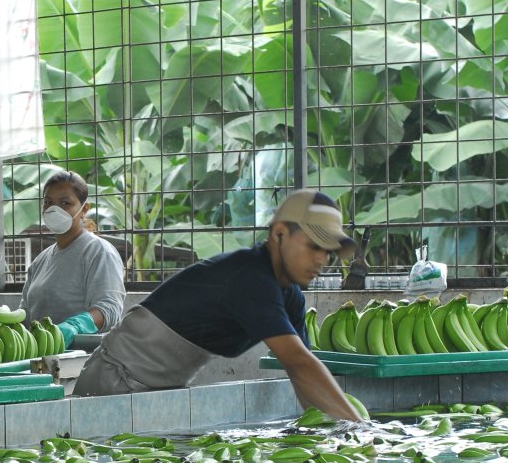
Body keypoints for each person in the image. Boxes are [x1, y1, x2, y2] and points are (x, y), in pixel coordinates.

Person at [72, 189, 364, 422]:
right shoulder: (250, 278)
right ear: (279, 234)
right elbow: (299, 363)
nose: (322, 260)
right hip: (115, 380)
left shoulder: (291, 297)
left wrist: (328, 429)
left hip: (159, 389)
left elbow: (303, 373)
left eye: (329, 252)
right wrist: (359, 429)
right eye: (314, 246)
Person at [19, 171, 125, 347]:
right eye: (48, 203)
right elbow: (25, 313)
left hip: (81, 358)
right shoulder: (40, 261)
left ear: (84, 209)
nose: (54, 209)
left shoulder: (99, 252)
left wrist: (74, 326)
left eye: (65, 203)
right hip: (41, 355)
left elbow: (109, 309)